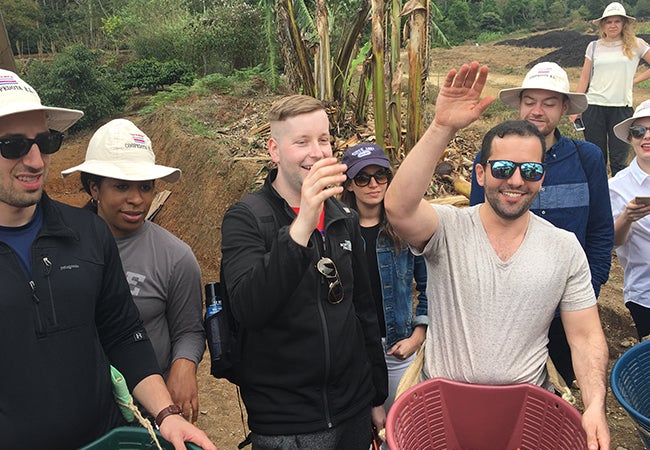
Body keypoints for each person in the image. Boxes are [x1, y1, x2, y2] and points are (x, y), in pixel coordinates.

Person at [384, 62, 610, 449]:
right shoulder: (449, 228)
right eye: (503, 168)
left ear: (542, 176)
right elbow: (400, 209)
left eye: (531, 170)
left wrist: (594, 405)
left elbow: (586, 336)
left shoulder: (564, 247)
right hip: (442, 407)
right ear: (480, 174)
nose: (517, 180)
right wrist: (441, 127)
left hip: (526, 413)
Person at [0, 69, 215, 450]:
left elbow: (123, 335)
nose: (35, 160)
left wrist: (166, 415)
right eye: (13, 145)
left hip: (104, 437)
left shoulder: (88, 235)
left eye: (46, 141)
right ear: (94, 187)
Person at [220, 94, 388, 450]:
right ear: (274, 150)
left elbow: (363, 311)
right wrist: (303, 223)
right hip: (287, 421)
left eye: (324, 140)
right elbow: (249, 307)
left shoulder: (345, 218)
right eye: (302, 142)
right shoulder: (246, 218)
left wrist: (376, 395)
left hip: (353, 407)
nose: (317, 152)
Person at [469, 62, 614, 388]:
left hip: (568, 309)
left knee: (558, 393)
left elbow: (601, 231)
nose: (537, 110)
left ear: (565, 108)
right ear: (519, 106)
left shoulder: (586, 157)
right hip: (505, 306)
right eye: (530, 101)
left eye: (549, 103)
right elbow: (477, 229)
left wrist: (588, 291)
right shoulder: (492, 159)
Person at [61, 118, 206, 424]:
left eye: (146, 186)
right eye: (121, 186)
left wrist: (184, 364)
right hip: (76, 407)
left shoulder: (175, 257)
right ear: (94, 188)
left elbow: (189, 329)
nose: (137, 199)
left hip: (149, 411)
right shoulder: (59, 247)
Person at [340, 142, 428, 414]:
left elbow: (430, 286)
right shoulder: (336, 232)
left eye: (381, 175)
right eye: (363, 178)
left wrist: (417, 336)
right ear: (349, 184)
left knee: (398, 429)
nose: (373, 184)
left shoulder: (406, 228)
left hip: (396, 349)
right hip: (350, 351)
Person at [572, 1, 650, 176]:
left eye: (617, 21)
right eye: (609, 21)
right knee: (595, 156)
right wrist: (576, 107)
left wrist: (634, 81)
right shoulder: (593, 47)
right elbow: (584, 77)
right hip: (593, 106)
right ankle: (598, 198)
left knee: (619, 160)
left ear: (624, 24)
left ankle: (618, 198)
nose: (613, 25)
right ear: (603, 24)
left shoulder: (636, 44)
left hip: (621, 109)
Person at [609, 100, 650, 340]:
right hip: (645, 293)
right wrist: (627, 218)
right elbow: (611, 241)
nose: (646, 137)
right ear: (630, 139)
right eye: (639, 132)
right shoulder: (616, 187)